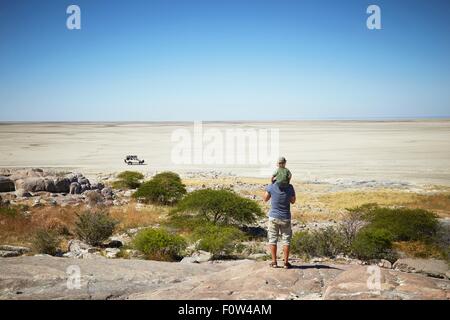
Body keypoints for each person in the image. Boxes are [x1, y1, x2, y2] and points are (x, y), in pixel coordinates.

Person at [263, 174, 296, 269]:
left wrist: (271, 183)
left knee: (272, 239)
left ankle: (274, 262)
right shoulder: (290, 187)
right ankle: (286, 263)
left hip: (273, 217)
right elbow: (293, 201)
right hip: (285, 217)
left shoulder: (272, 186)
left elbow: (265, 199)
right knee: (286, 240)